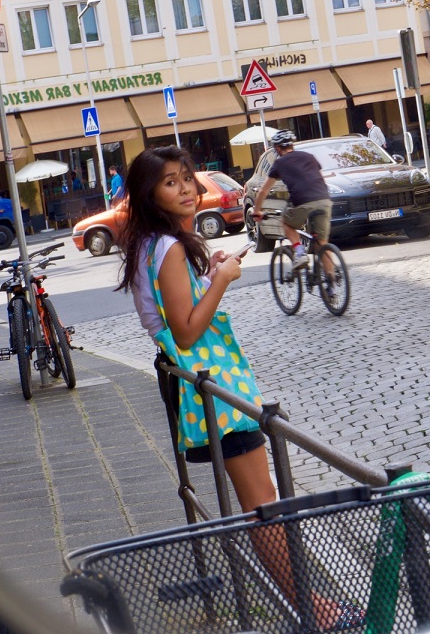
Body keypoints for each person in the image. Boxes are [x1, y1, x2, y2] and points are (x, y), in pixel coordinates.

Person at [115, 146, 358, 631]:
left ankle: (307, 603)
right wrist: (222, 280)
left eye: (186, 177)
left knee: (259, 504)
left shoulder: (154, 244)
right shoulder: (170, 248)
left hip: (200, 384)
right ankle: (313, 609)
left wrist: (207, 274)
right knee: (264, 506)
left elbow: (169, 316)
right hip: (214, 386)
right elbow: (185, 330)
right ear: (150, 193)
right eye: (170, 182)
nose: (184, 188)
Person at [251, 130, 332, 274]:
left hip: (302, 201)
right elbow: (320, 178)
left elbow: (263, 191)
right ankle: (331, 282)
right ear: (292, 145)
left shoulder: (279, 163)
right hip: (324, 199)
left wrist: (257, 211)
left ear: (277, 148)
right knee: (322, 242)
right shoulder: (309, 157)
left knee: (287, 223)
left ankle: (300, 252)